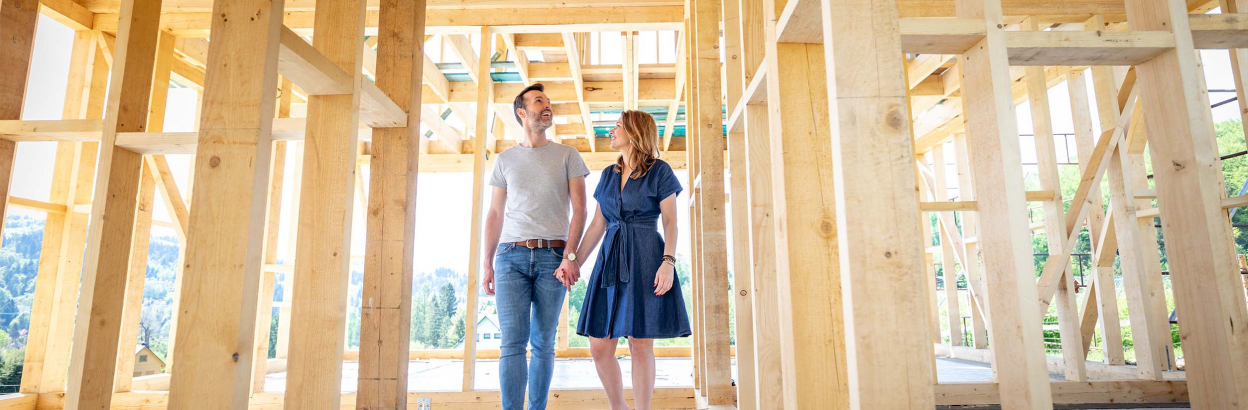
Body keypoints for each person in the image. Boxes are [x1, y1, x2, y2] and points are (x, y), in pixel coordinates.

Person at [566, 110, 690, 410]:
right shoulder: (609, 174)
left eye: (618, 126)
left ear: (634, 133)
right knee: (599, 346)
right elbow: (598, 224)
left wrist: (668, 262)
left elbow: (671, 221)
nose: (612, 130)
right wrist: (574, 261)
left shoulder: (660, 171)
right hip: (610, 260)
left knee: (639, 342)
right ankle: (619, 407)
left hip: (647, 256)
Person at [483, 83, 590, 410]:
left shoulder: (567, 155)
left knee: (543, 344)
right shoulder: (505, 159)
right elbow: (495, 213)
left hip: (553, 259)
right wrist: (486, 262)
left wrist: (570, 256)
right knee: (511, 344)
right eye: (539, 101)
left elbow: (581, 210)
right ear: (521, 112)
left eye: (548, 101)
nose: (548, 106)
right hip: (509, 258)